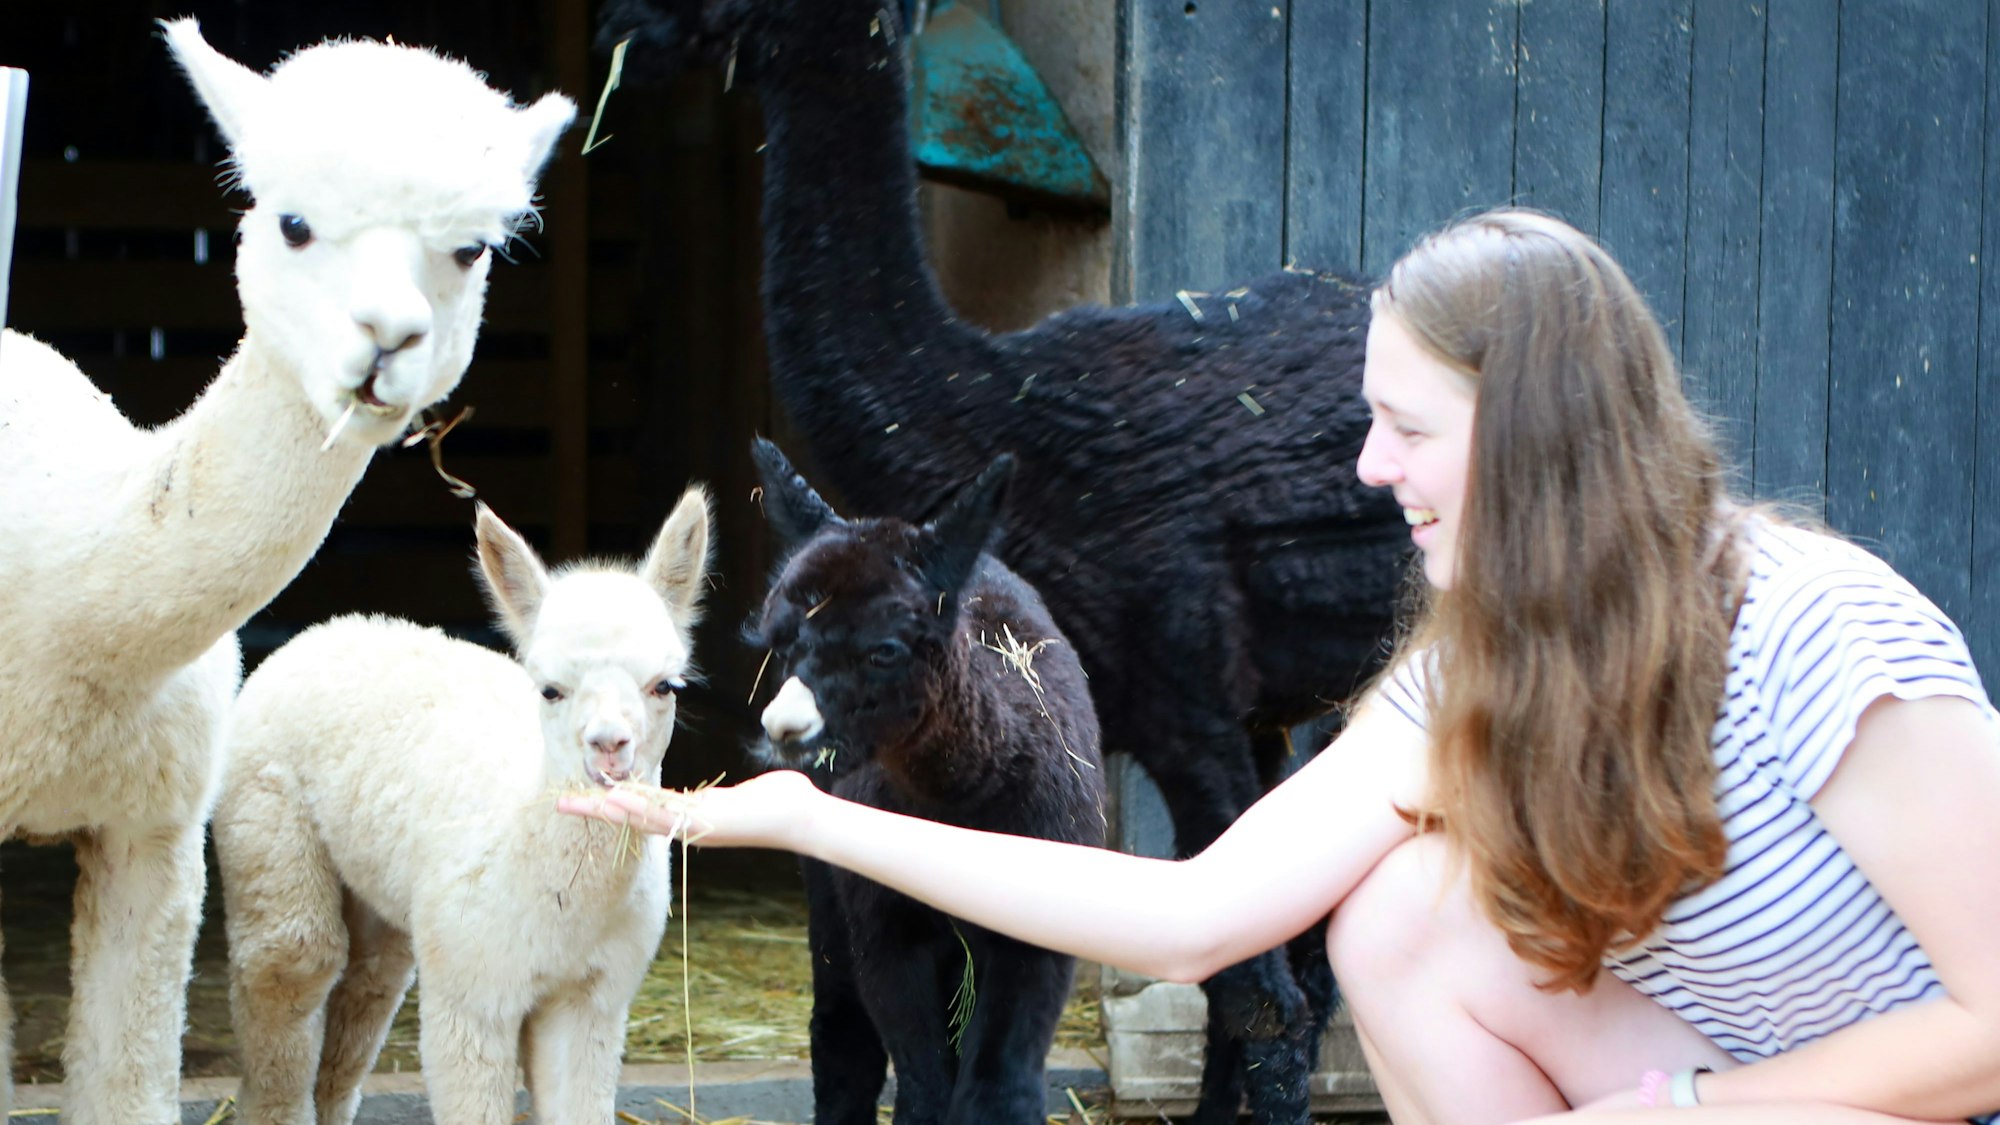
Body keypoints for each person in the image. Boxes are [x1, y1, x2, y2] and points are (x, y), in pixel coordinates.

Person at [558, 209, 2000, 1123]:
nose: (1370, 467)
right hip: (1718, 1079)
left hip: (1902, 1089)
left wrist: (1692, 1107)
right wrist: (812, 817)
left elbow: (1993, 1030)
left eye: (1405, 426)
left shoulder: (1820, 632)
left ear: (1539, 428)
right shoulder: (1480, 675)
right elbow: (1195, 913)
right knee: (1400, 915)